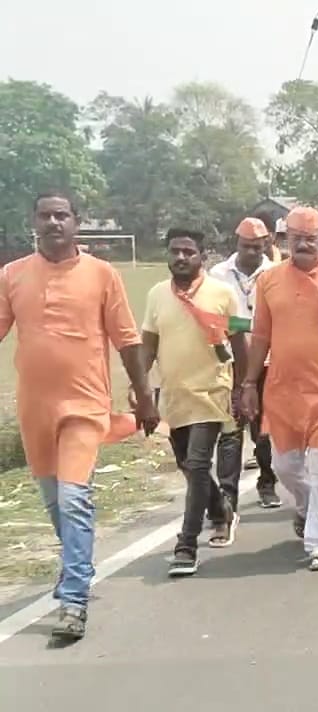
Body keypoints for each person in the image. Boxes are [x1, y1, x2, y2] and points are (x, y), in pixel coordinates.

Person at [0, 191, 159, 639]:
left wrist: (144, 397)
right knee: (55, 504)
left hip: (84, 407)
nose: (53, 222)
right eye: (45, 216)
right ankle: (76, 565)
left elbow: (128, 341)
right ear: (33, 221)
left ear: (76, 221)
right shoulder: (12, 275)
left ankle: (73, 600)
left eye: (61, 215)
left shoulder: (101, 274)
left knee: (73, 499)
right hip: (35, 411)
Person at [241, 206, 318, 571]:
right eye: (297, 239)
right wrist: (248, 383)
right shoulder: (269, 281)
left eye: (311, 239)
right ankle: (308, 506)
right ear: (285, 241)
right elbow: (260, 335)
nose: (304, 245)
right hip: (283, 391)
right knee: (285, 466)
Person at [141, 228, 247, 576]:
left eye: (189, 251)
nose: (181, 257)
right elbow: (149, 344)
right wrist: (139, 386)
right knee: (189, 465)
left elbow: (240, 342)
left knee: (199, 464)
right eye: (175, 251)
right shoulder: (157, 295)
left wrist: (242, 387)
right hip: (174, 395)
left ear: (203, 256)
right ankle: (220, 510)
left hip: (211, 393)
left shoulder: (222, 293)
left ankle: (186, 545)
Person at [210, 217, 280, 508]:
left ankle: (267, 482)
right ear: (236, 243)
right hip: (227, 360)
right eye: (245, 246)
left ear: (267, 244)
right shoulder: (218, 273)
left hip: (267, 361)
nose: (251, 252)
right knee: (230, 428)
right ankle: (228, 495)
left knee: (262, 429)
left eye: (257, 247)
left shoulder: (276, 273)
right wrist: (241, 327)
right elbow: (213, 317)